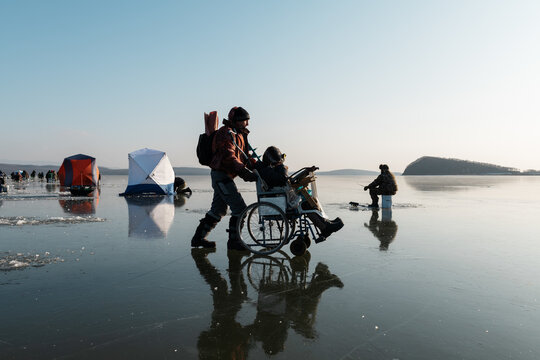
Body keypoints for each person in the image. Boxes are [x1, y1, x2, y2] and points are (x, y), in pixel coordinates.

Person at [191, 106, 258, 250]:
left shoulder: (239, 134)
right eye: (245, 121)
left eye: (247, 121)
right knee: (240, 208)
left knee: (218, 210)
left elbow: (245, 157)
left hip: (225, 176)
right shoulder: (226, 133)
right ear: (236, 121)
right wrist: (245, 173)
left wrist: (259, 167)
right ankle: (234, 242)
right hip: (221, 176)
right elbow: (229, 156)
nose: (247, 124)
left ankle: (198, 238)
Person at [257, 146, 344, 242]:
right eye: (279, 160)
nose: (281, 162)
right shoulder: (267, 170)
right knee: (305, 204)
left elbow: (285, 180)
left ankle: (325, 224)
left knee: (308, 201)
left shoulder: (269, 169)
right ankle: (324, 227)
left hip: (282, 197)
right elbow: (283, 179)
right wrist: (281, 166)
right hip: (280, 199)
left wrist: (306, 172)